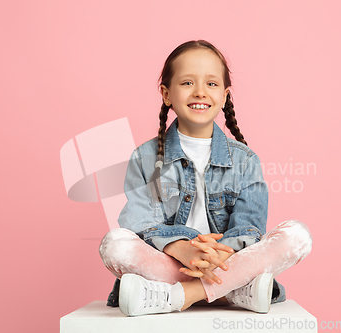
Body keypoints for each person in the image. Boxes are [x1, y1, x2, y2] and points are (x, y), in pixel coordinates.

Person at [98, 40, 312, 317]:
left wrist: (220, 254)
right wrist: (184, 248)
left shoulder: (245, 160)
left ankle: (183, 295)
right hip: (175, 262)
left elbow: (249, 228)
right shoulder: (144, 158)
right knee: (115, 244)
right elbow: (140, 224)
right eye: (187, 83)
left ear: (224, 96)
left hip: (226, 260)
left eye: (211, 84)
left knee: (297, 236)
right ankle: (233, 291)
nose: (200, 91)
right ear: (166, 94)